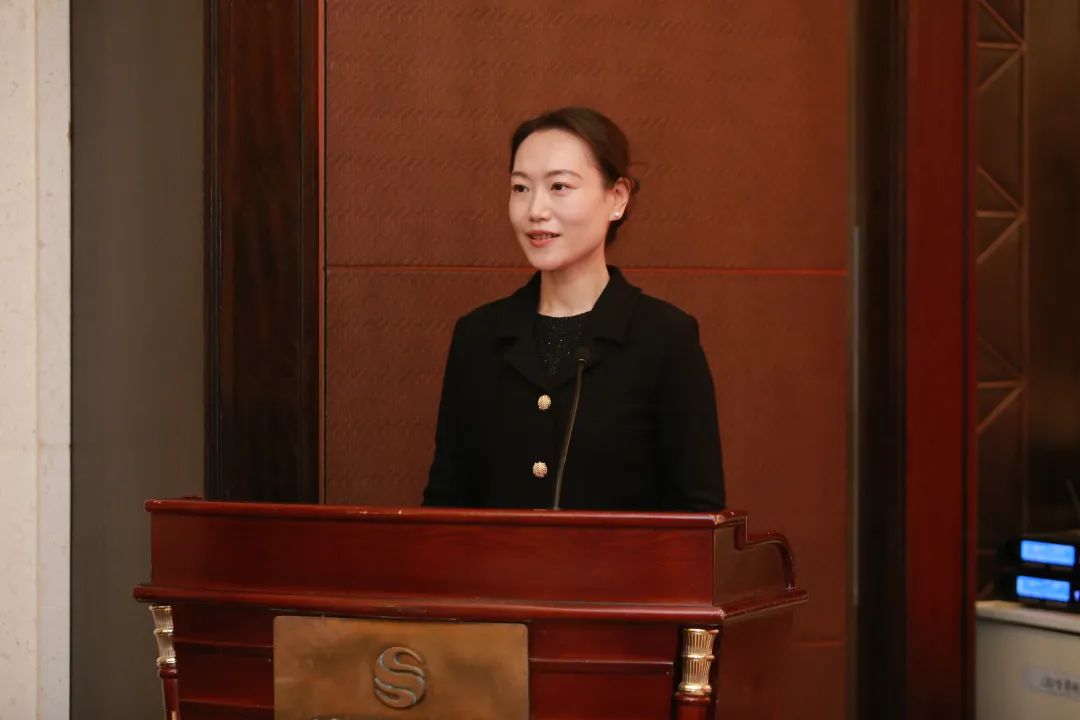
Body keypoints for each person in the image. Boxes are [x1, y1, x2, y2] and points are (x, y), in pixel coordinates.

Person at [422, 107, 725, 511]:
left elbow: (698, 517)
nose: (535, 210)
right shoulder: (477, 336)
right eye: (520, 188)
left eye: (559, 186)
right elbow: (445, 506)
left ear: (617, 197)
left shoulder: (665, 338)